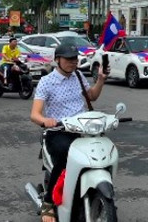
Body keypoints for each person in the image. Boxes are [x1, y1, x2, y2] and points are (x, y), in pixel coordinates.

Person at [30, 43, 108, 222]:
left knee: (101, 151)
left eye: (75, 58)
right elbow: (34, 114)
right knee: (66, 155)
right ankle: (48, 202)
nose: (73, 62)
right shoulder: (47, 82)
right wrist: (45, 121)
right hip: (59, 131)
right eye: (69, 59)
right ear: (57, 59)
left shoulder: (78, 76)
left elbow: (92, 96)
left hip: (83, 130)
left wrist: (101, 80)